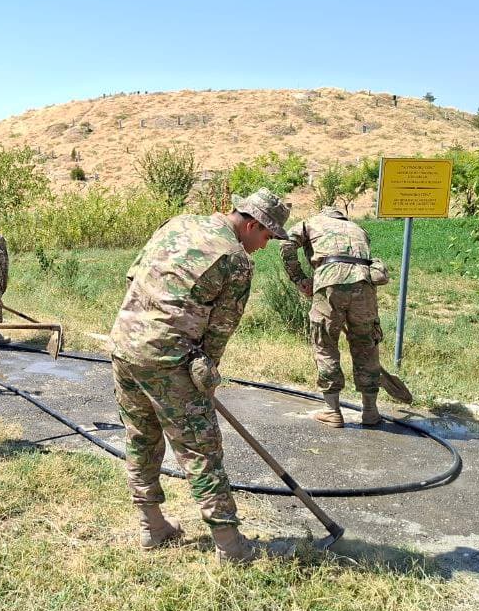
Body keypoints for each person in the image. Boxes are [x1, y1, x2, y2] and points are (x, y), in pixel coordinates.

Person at [110, 187, 290, 564]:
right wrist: (204, 374)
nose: (265, 246)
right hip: (169, 360)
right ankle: (230, 546)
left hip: (125, 344)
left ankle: (152, 526)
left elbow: (134, 276)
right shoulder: (236, 259)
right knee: (201, 450)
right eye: (268, 237)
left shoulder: (179, 223)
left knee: (141, 437)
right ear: (253, 224)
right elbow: (221, 330)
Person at [280, 204, 411, 428]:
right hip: (365, 285)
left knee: (325, 343)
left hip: (329, 282)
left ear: (324, 214)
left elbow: (286, 243)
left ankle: (332, 411)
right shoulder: (358, 229)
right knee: (366, 345)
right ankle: (370, 411)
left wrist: (299, 278)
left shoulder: (311, 223)